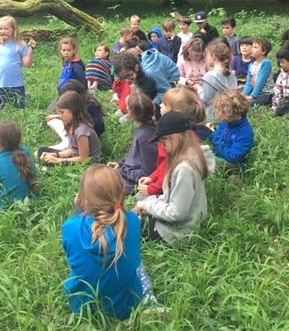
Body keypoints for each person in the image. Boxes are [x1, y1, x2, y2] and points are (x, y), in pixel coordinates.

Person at [63, 165, 157, 320]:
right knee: (139, 267)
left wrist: (79, 208)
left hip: (83, 308)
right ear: (121, 196)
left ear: (84, 200)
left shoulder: (70, 228)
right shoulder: (132, 221)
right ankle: (151, 303)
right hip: (128, 307)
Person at [135, 112, 213, 245]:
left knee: (127, 229)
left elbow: (176, 213)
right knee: (133, 216)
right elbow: (173, 197)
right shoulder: (193, 154)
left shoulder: (183, 169)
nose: (163, 147)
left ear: (175, 138)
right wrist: (149, 202)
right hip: (187, 223)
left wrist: (147, 205)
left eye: (163, 142)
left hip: (180, 232)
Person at [137, 88, 213, 199]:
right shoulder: (185, 134)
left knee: (139, 198)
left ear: (174, 113)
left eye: (164, 104)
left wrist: (151, 189)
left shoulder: (172, 140)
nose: (160, 105)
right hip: (167, 184)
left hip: (170, 190)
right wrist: (152, 178)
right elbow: (163, 166)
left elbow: (169, 172)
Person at [108, 92, 158, 195]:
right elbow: (137, 158)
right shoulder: (143, 130)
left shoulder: (145, 137)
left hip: (133, 183)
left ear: (130, 113)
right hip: (129, 173)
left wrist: (124, 170)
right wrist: (121, 163)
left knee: (98, 185)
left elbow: (147, 173)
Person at [0, 15, 36, 108]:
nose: (3, 31)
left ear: (14, 30)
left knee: (18, 108)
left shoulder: (20, 45)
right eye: (0, 29)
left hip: (17, 84)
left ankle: (25, 97)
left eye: (6, 29)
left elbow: (27, 64)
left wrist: (31, 49)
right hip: (2, 84)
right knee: (3, 108)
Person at [39, 90, 102, 165]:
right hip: (75, 157)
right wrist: (55, 155)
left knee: (50, 163)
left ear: (72, 111)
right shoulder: (69, 124)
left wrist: (57, 160)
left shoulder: (82, 132)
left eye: (62, 112)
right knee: (42, 151)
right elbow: (72, 150)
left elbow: (84, 160)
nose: (60, 115)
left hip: (87, 165)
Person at [44, 79, 106, 151]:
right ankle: (67, 140)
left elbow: (100, 127)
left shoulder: (90, 106)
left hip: (83, 137)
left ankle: (67, 144)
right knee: (53, 121)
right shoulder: (77, 106)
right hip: (74, 131)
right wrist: (58, 117)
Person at [113, 47, 180, 110]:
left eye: (128, 76)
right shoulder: (135, 71)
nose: (127, 81)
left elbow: (166, 89)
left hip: (170, 82)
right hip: (154, 82)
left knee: (157, 109)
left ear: (136, 67)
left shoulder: (151, 72)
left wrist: (154, 103)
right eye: (123, 78)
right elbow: (138, 83)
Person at [209, 90, 255, 169]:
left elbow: (233, 157)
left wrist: (214, 136)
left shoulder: (245, 132)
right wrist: (213, 131)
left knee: (202, 161)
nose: (219, 115)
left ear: (235, 113)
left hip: (234, 163)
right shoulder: (226, 123)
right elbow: (222, 139)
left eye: (222, 112)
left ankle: (235, 175)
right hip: (220, 155)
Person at [196, 40, 237, 122]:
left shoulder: (209, 76)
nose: (206, 58)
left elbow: (205, 99)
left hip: (213, 117)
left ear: (213, 56)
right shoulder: (232, 75)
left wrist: (198, 89)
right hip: (229, 116)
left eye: (207, 55)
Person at [243, 38, 274, 107]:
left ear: (263, 51)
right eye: (252, 47)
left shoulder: (266, 63)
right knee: (240, 100)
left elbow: (261, 82)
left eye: (255, 47)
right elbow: (249, 83)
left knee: (248, 103)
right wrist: (243, 95)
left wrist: (251, 96)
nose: (252, 49)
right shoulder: (251, 65)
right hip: (255, 92)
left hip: (266, 94)